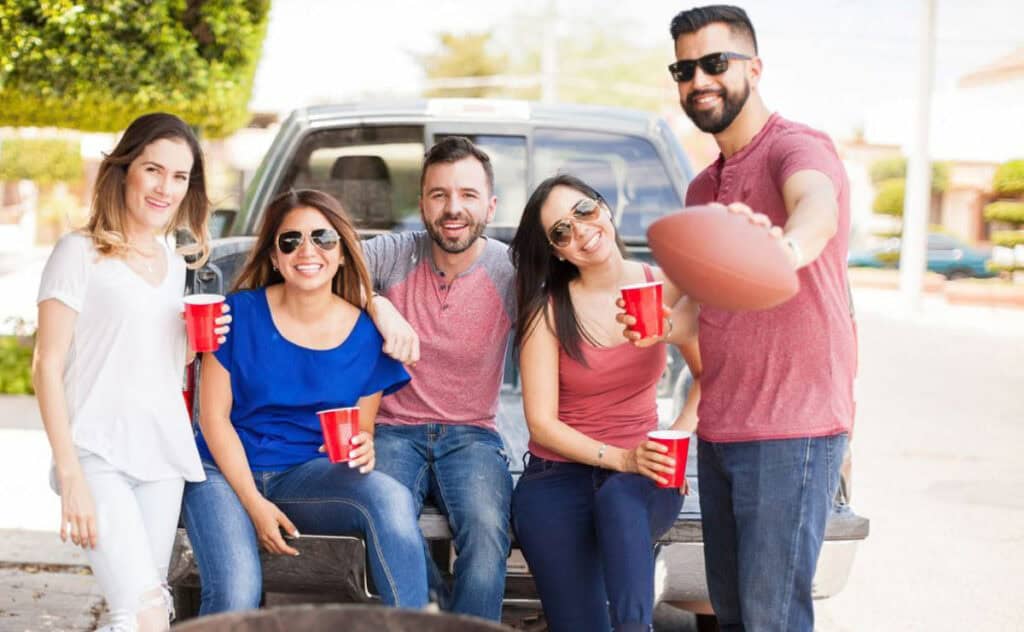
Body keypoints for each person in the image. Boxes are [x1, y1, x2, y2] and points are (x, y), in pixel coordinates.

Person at [654, 6, 856, 631]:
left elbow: (815, 205)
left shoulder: (794, 148)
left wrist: (784, 251)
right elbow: (692, 311)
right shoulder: (701, 191)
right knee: (732, 614)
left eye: (715, 63)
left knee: (771, 618)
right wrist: (656, 324)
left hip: (791, 429)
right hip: (721, 427)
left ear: (754, 67)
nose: (699, 81)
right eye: (684, 69)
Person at [180, 189, 428, 613]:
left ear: (344, 252)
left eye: (322, 238)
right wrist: (255, 505)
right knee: (236, 591)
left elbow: (360, 429)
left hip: (304, 476)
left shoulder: (367, 334)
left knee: (391, 497)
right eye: (290, 241)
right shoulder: (236, 313)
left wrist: (363, 444)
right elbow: (213, 421)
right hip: (219, 472)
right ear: (275, 258)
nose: (307, 250)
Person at [33, 112, 230, 632]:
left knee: (150, 605)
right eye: (153, 169)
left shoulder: (172, 261)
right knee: (139, 608)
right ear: (125, 170)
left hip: (161, 457)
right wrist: (69, 470)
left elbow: (156, 361)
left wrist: (195, 343)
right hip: (97, 454)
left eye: (180, 176)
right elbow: (45, 365)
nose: (165, 187)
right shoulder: (77, 252)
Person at [507, 174, 703, 632]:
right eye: (560, 231)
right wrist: (622, 458)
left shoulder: (664, 287)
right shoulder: (548, 310)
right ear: (556, 251)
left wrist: (675, 436)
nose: (579, 230)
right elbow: (541, 424)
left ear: (605, 208)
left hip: (643, 479)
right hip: (558, 478)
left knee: (620, 499)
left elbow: (709, 373)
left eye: (584, 210)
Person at [363, 136, 514, 621]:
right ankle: (430, 615)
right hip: (392, 430)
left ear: (489, 205)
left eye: (468, 195)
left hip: (472, 433)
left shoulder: (511, 269)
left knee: (489, 529)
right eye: (439, 195)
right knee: (384, 518)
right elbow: (326, 263)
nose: (453, 208)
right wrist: (378, 304)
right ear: (422, 204)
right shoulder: (395, 253)